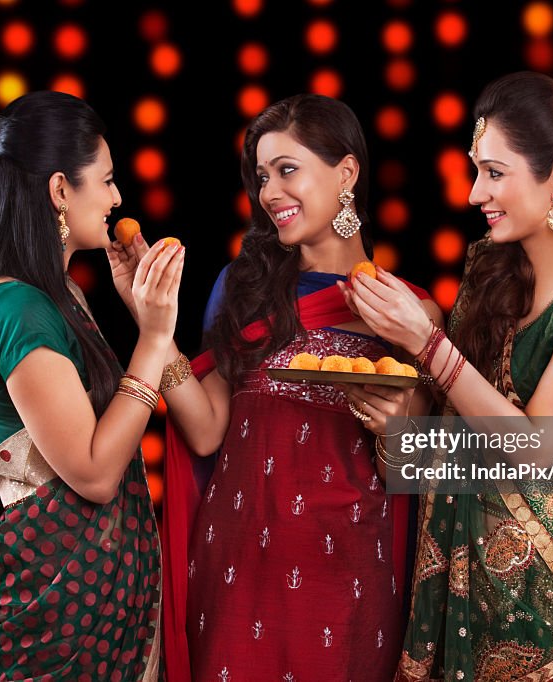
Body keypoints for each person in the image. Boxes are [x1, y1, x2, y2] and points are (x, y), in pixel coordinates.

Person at [108, 93, 442, 680]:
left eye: (287, 170)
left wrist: (395, 430)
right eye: (262, 177)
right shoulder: (243, 288)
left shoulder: (410, 310)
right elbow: (208, 432)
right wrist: (151, 322)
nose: (269, 193)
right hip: (237, 565)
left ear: (346, 173)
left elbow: (407, 470)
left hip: (347, 574)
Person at [342, 72, 553, 681]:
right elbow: (454, 423)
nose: (474, 193)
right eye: (475, 170)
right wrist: (398, 424)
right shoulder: (492, 270)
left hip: (544, 613)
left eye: (494, 172)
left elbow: (534, 447)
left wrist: (428, 343)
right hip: (451, 585)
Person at [0, 91, 182, 681]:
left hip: (96, 608)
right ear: (60, 190)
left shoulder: (59, 296)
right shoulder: (15, 308)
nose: (116, 198)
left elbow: (199, 429)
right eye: (106, 181)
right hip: (54, 617)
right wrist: (153, 338)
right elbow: (94, 472)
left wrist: (145, 319)